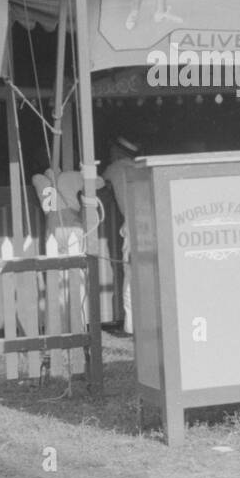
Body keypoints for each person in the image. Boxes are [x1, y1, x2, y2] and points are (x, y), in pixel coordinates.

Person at [102, 136, 139, 332]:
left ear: (117, 152)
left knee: (130, 275)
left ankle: (131, 325)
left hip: (133, 225)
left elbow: (98, 185)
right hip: (151, 222)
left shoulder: (114, 168)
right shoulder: (139, 167)